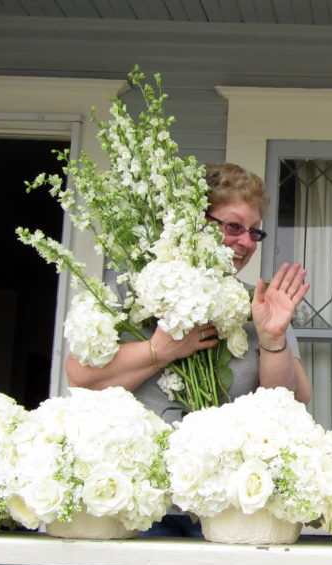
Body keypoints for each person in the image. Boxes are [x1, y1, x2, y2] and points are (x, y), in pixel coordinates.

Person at [66, 163, 312, 413]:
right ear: (195, 222)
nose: (247, 242)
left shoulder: (258, 303)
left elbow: (293, 400)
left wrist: (272, 338)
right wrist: (158, 351)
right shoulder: (131, 292)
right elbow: (79, 379)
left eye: (254, 231)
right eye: (233, 226)